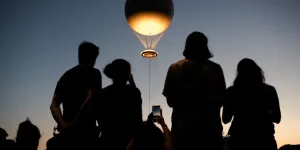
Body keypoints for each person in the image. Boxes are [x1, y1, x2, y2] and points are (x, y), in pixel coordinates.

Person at [162, 31, 226, 150]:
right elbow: (221, 99)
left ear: (187, 46)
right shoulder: (215, 69)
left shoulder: (174, 68)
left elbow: (170, 101)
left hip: (182, 132)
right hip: (210, 131)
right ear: (205, 46)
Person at [49, 41, 102, 149]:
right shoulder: (95, 73)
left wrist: (63, 126)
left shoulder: (66, 75)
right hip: (87, 134)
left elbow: (53, 106)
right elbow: (93, 101)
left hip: (68, 134)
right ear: (93, 57)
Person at [222, 58, 281, 150]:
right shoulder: (269, 90)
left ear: (239, 73)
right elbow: (277, 118)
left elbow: (225, 119)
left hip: (238, 140)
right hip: (264, 140)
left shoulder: (231, 91)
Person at [97, 59, 143, 150]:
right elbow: (137, 118)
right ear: (127, 75)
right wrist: (133, 83)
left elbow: (100, 119)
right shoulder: (133, 92)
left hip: (107, 140)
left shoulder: (103, 93)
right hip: (129, 141)